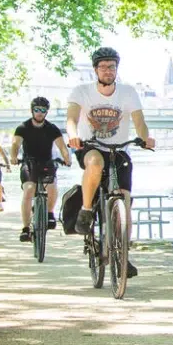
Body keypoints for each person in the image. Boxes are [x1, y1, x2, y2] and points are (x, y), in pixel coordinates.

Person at [67, 47, 155, 271]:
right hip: (90, 146)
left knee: (124, 201)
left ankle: (123, 255)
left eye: (112, 67)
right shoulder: (81, 91)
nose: (108, 71)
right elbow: (71, 119)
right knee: (95, 163)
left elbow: (139, 121)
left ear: (117, 69)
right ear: (96, 70)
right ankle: (86, 210)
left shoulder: (127, 92)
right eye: (104, 67)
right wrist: (73, 135)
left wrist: (146, 138)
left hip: (119, 149)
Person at [11, 96, 72, 241]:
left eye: (43, 110)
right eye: (37, 110)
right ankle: (26, 228)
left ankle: (49, 212)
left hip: (47, 163)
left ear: (46, 112)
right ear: (32, 111)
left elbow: (62, 146)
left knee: (52, 188)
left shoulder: (52, 128)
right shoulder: (23, 127)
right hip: (29, 163)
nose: (40, 113)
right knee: (29, 190)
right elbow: (15, 144)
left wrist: (67, 159)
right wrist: (13, 157)